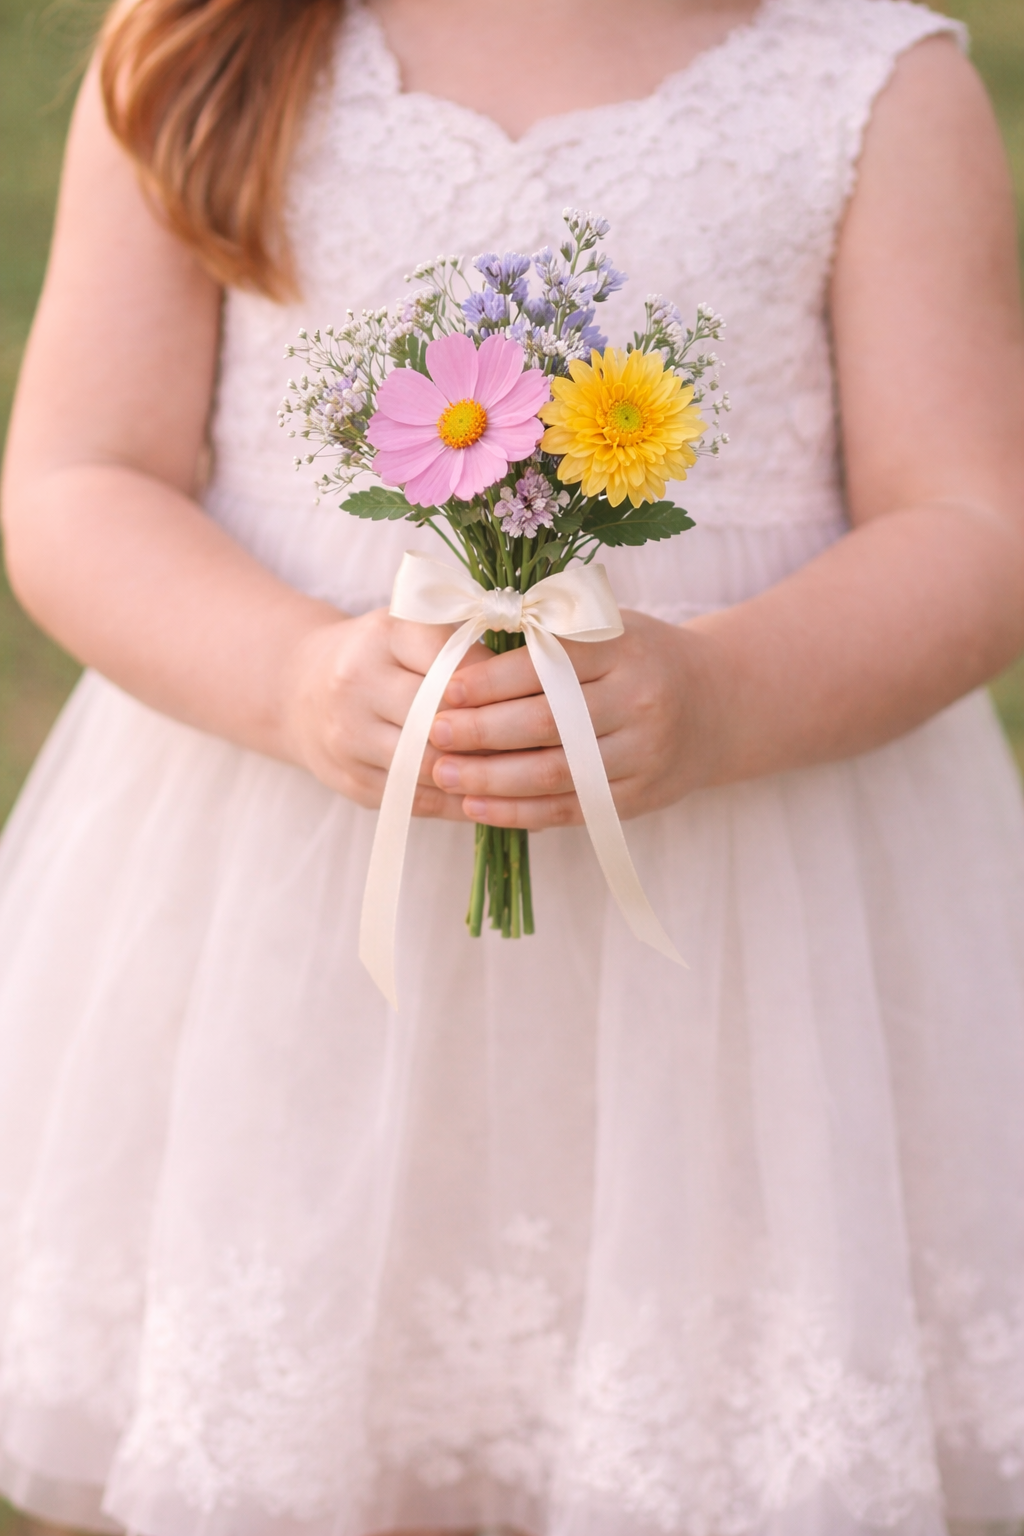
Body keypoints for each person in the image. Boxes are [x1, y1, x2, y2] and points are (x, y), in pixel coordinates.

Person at [1, 0, 1024, 1532]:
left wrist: (728, 692)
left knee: (692, 1424)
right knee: (350, 1398)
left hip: (739, 949)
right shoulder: (204, 49)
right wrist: (288, 679)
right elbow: (81, 479)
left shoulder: (870, 87)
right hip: (295, 911)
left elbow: (974, 523)